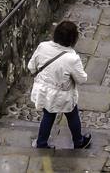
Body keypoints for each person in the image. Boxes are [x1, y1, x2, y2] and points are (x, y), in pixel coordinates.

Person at [28, 21, 93, 150]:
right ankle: (78, 141)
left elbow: (31, 67)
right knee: (72, 114)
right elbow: (82, 79)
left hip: (44, 91)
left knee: (48, 114)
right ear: (73, 39)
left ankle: (41, 143)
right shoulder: (72, 58)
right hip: (63, 95)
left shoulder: (42, 46)